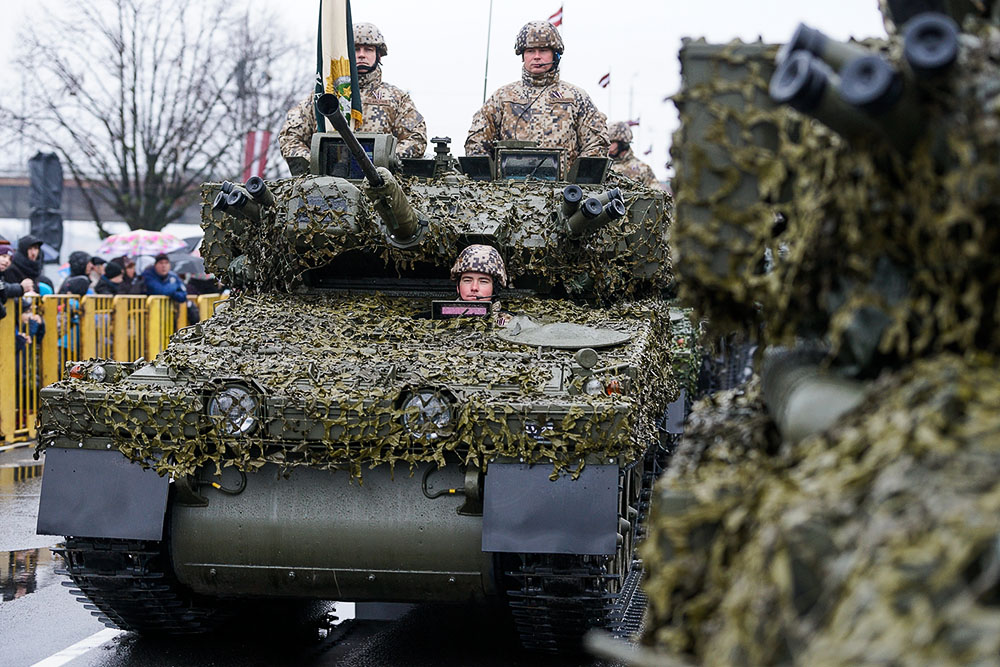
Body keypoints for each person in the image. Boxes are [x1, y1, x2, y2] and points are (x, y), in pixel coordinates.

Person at [278, 22, 428, 175]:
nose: (361, 54)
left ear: (379, 55)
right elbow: (289, 136)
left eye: (368, 49)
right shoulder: (323, 97)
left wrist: (385, 162)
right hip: (326, 187)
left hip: (380, 187)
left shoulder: (397, 98)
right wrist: (317, 163)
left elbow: (416, 138)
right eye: (356, 49)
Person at [465, 21, 609, 179]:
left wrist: (577, 183)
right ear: (523, 56)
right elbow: (477, 141)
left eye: (543, 50)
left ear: (555, 54)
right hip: (508, 193)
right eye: (530, 51)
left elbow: (596, 144)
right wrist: (489, 183)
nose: (537, 57)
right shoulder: (502, 97)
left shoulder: (575, 97)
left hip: (563, 193)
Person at [450, 244, 512, 326]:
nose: (474, 288)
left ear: (495, 288)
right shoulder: (433, 320)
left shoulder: (508, 323)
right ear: (458, 287)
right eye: (467, 280)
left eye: (483, 281)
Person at [608, 121, 660, 188]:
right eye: (606, 142)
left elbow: (657, 194)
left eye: (611, 142)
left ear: (623, 143)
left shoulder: (642, 169)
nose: (608, 146)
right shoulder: (602, 166)